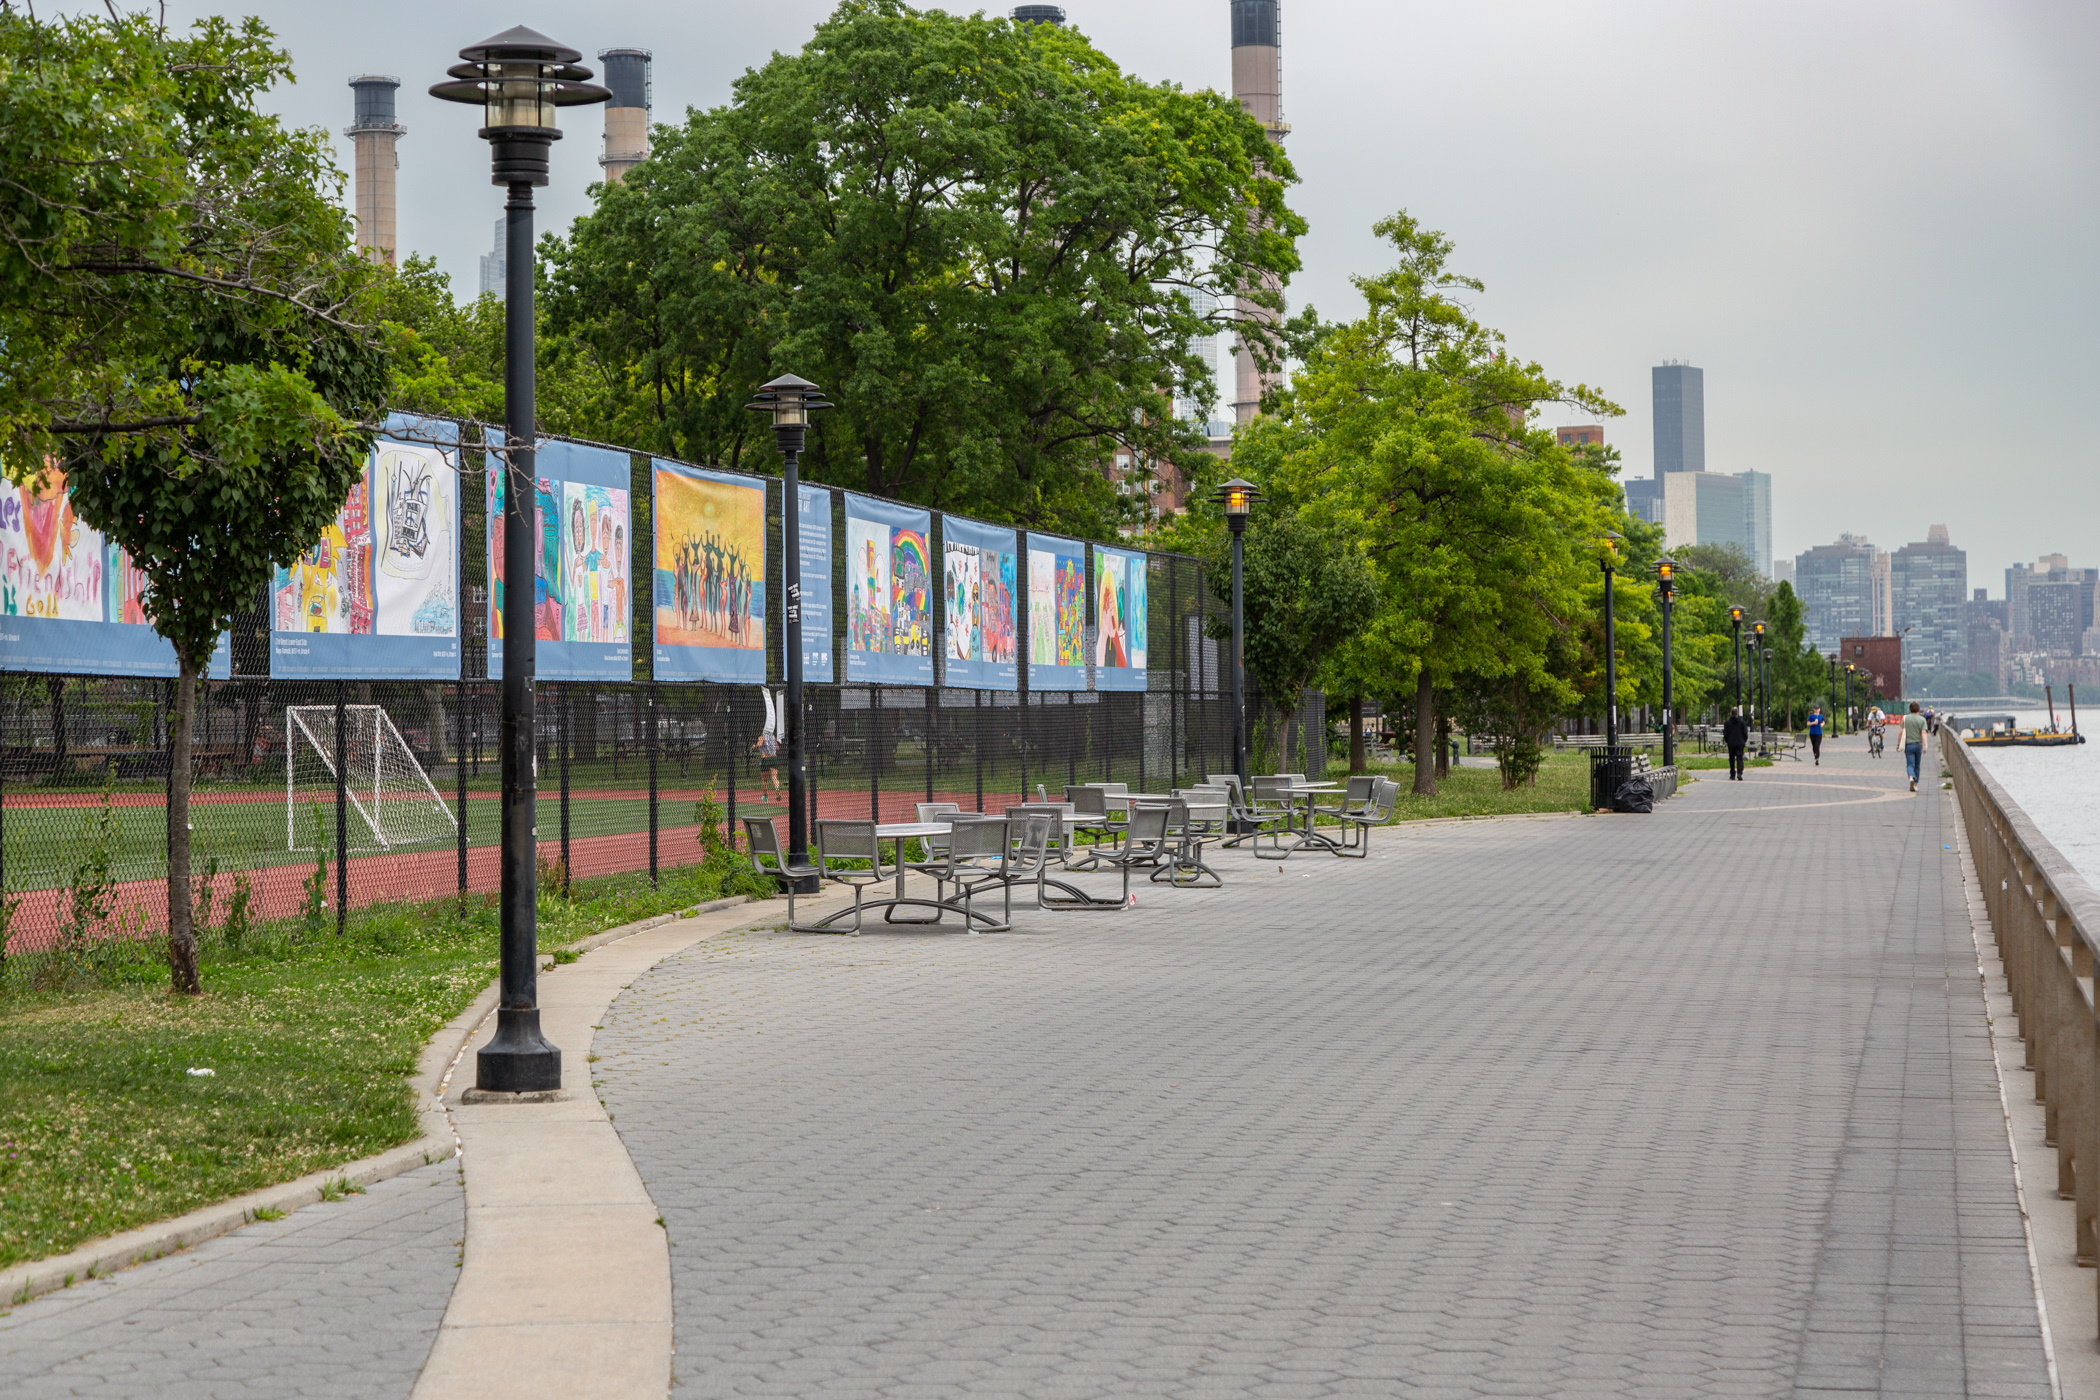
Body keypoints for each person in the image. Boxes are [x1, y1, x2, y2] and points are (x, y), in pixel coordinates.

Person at [1901, 700, 1928, 792]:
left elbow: (1901, 732)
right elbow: (1923, 732)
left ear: (1910, 709)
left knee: (1909, 764)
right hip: (1918, 744)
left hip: (1908, 745)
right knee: (1917, 765)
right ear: (1918, 709)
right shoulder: (1922, 719)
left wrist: (1898, 744)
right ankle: (1915, 784)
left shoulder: (1905, 718)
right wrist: (1926, 745)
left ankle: (1911, 777)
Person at [1723, 706, 1750, 780]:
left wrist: (1727, 740)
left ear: (1730, 713)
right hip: (1740, 743)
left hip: (1731, 743)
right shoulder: (1742, 722)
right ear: (1737, 713)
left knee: (1731, 758)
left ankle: (1732, 774)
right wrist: (1744, 740)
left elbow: (1725, 734)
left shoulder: (1727, 723)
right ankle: (1739, 773)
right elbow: (1745, 733)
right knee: (1739, 758)